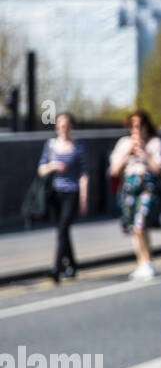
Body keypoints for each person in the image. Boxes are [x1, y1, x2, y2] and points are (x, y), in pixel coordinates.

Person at [109, 110, 161, 278]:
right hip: (129, 186)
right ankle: (143, 262)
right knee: (135, 228)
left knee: (141, 224)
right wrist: (128, 153)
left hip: (147, 186)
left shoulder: (155, 143)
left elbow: (159, 170)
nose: (136, 129)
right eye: (133, 126)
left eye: (140, 125)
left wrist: (145, 153)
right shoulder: (123, 143)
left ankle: (147, 262)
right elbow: (114, 170)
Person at [37, 112, 89, 283]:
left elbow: (84, 174)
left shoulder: (78, 147)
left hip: (72, 192)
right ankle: (72, 265)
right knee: (62, 231)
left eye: (67, 124)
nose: (64, 128)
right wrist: (53, 166)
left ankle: (57, 269)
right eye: (60, 124)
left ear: (71, 127)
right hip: (54, 193)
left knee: (63, 229)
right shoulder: (50, 145)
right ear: (56, 127)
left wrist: (83, 197)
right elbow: (41, 169)